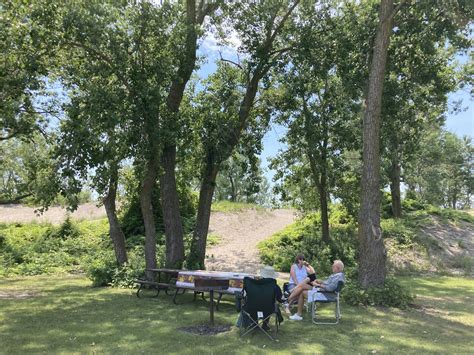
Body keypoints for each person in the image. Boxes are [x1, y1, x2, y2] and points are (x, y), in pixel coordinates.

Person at [236, 265, 284, 330]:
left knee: (255, 303)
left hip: (250, 307)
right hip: (268, 309)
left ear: (263, 275)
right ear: (272, 276)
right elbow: (280, 299)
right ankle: (265, 324)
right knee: (269, 305)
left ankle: (254, 323)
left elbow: (243, 295)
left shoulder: (251, 284)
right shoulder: (274, 286)